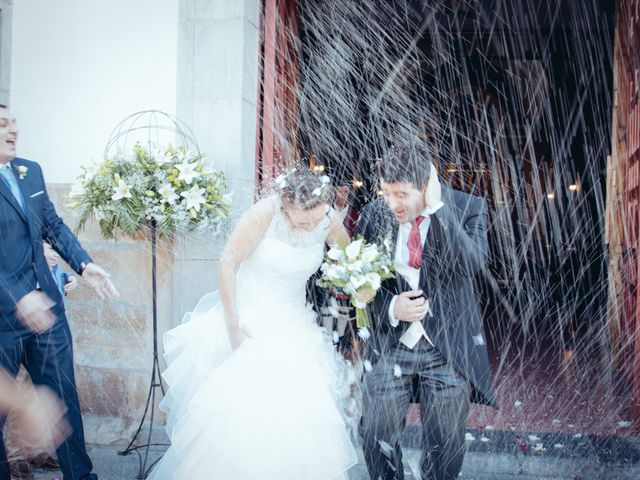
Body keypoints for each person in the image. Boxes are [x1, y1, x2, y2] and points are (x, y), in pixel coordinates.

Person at [149, 167, 358, 479]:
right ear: (286, 205)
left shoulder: (325, 216)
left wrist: (360, 281)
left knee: (296, 419)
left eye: (317, 221)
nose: (312, 227)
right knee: (243, 418)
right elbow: (227, 262)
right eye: (303, 222)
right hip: (251, 322)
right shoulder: (265, 213)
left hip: (294, 326)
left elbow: (352, 259)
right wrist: (233, 326)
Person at [356, 143, 496, 480]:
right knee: (376, 437)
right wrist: (391, 306)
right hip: (391, 344)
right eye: (387, 192)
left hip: (447, 347)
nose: (392, 203)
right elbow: (358, 280)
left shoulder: (467, 208)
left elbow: (472, 264)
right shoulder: (375, 214)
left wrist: (438, 210)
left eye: (402, 194)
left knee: (446, 447)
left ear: (426, 185)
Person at [0, 104, 119, 480]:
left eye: (14, 122)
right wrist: (17, 296)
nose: (12, 130)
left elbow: (51, 224)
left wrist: (85, 265)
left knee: (65, 400)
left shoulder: (28, 170)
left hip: (48, 313)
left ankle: (81, 476)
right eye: (2, 123)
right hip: (4, 319)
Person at [4, 242, 77, 479]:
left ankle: (34, 451)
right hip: (12, 325)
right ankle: (15, 457)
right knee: (16, 393)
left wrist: (65, 279)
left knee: (37, 392)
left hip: (44, 329)